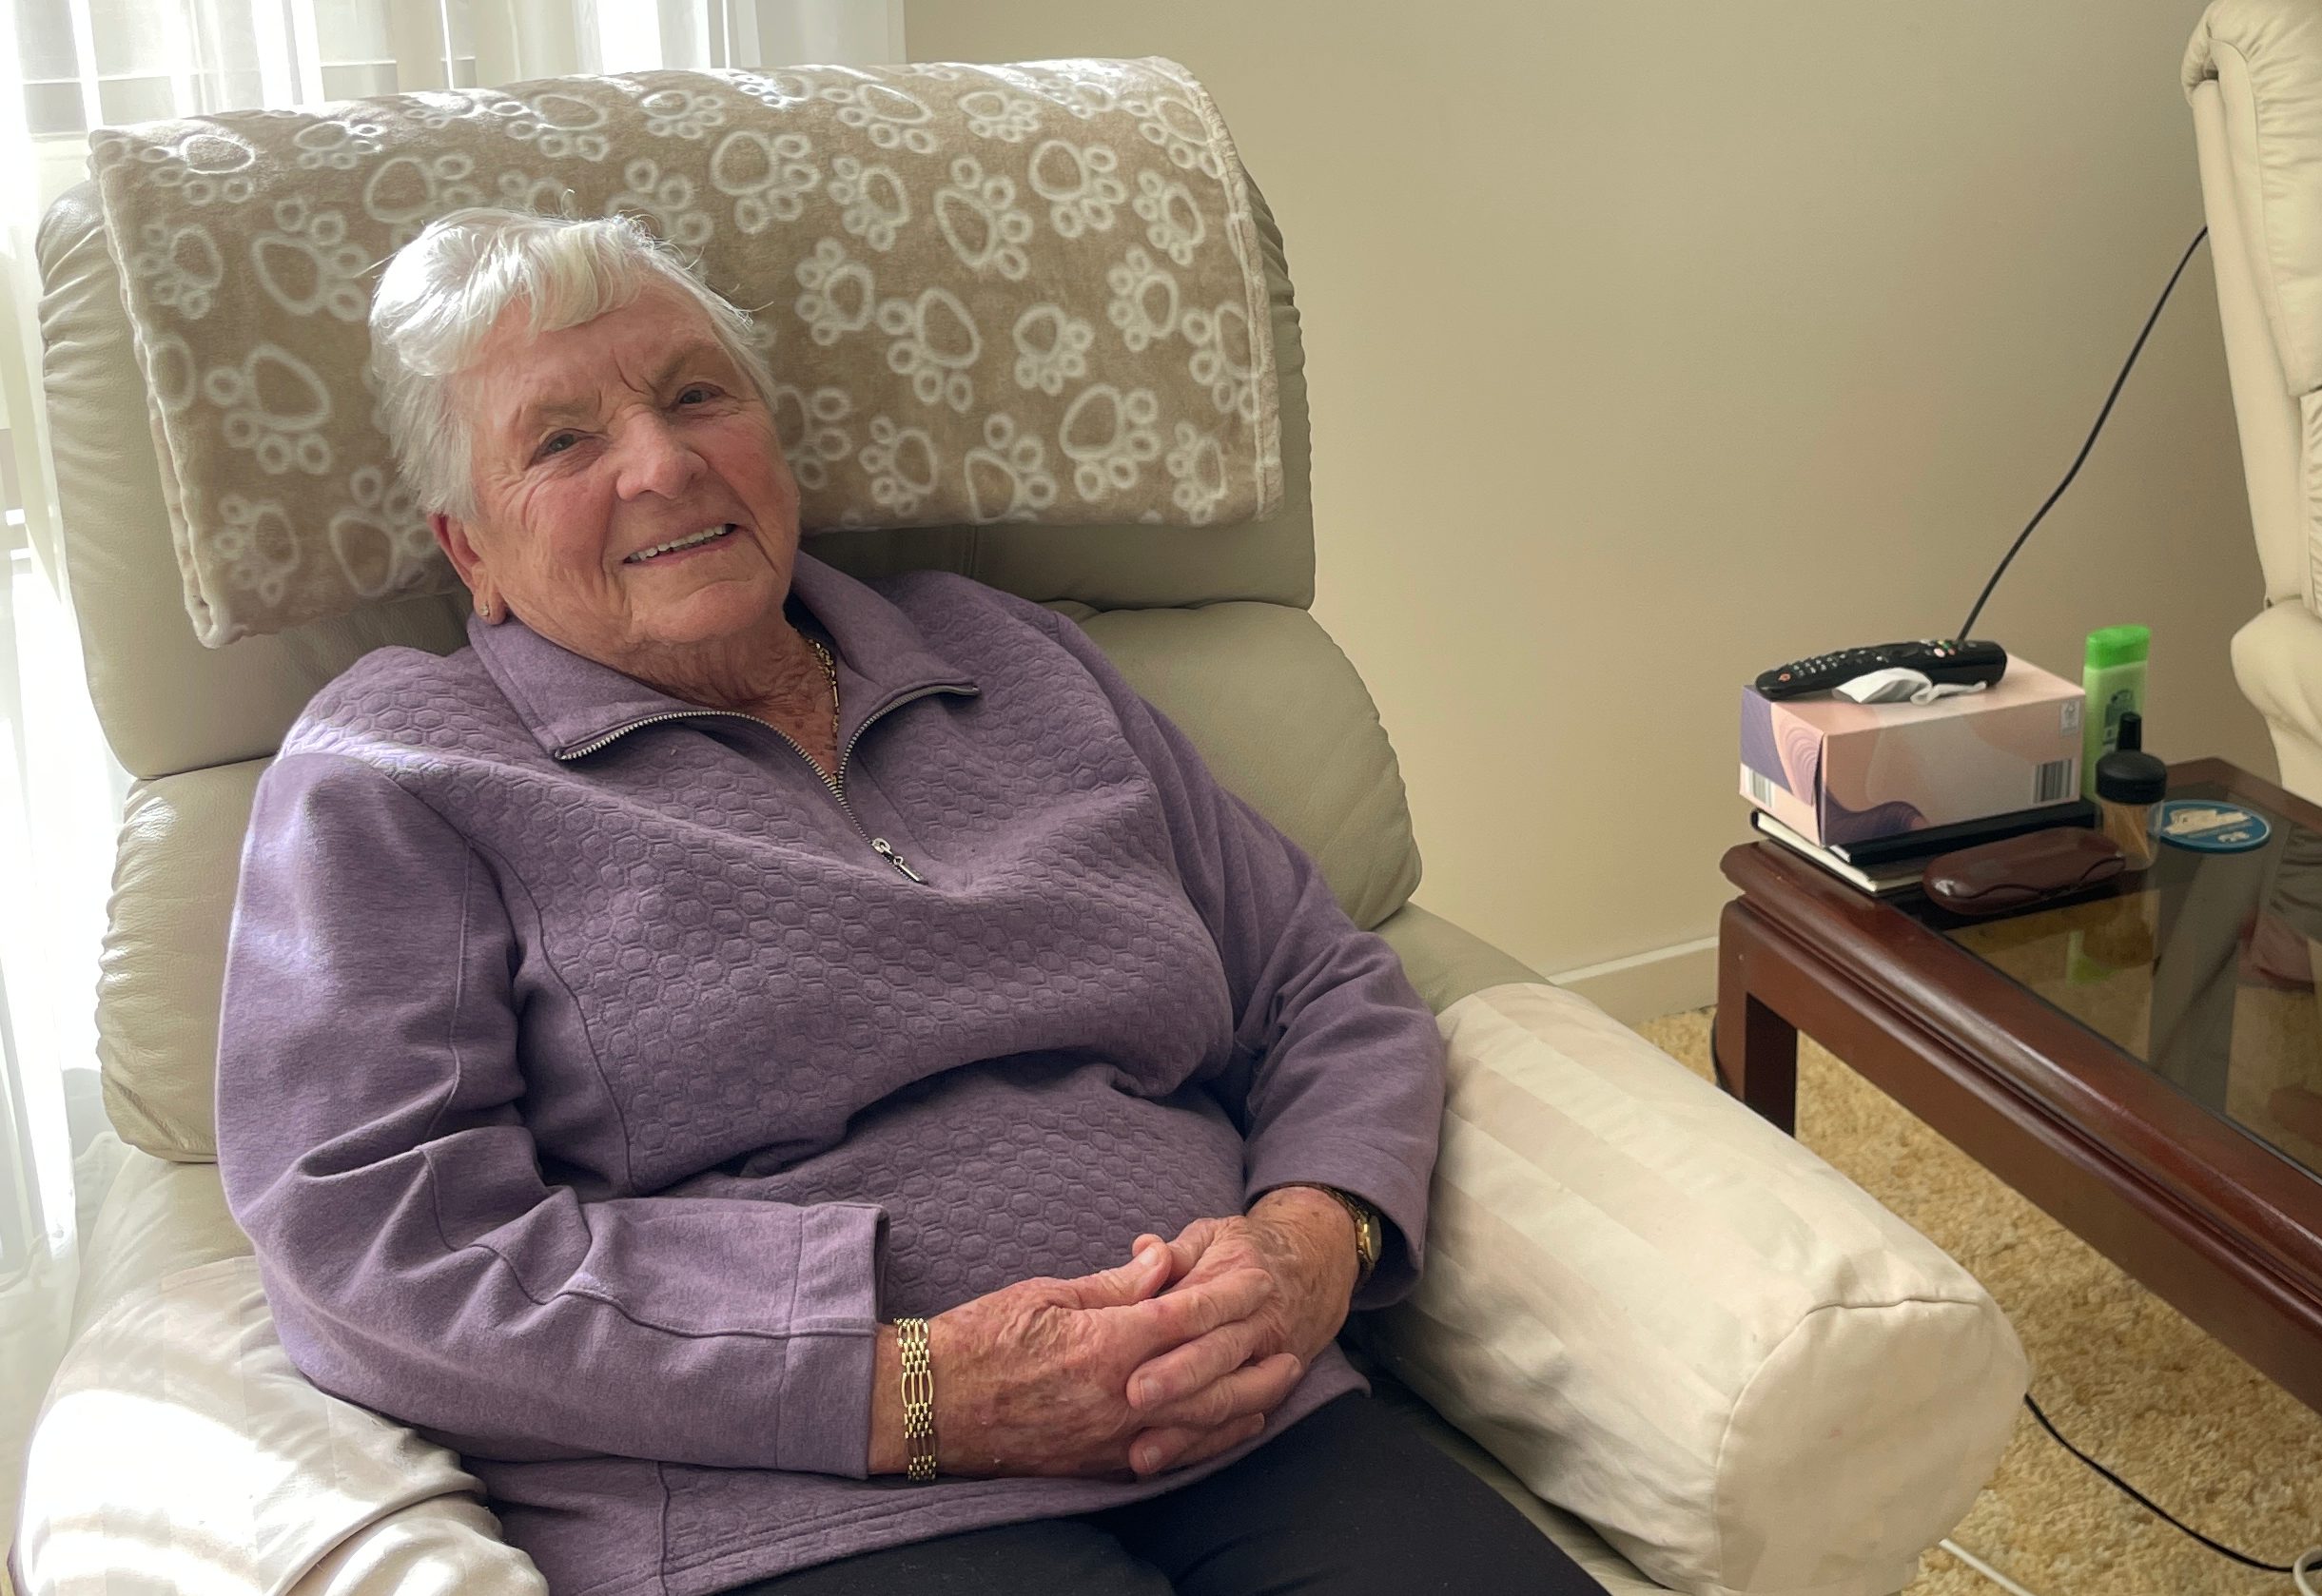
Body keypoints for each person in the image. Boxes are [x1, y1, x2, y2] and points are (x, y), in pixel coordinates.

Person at [214, 206, 1605, 1596]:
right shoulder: (400, 768)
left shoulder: (1002, 654)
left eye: (698, 394)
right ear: (470, 553)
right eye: (562, 440)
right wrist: (905, 1387)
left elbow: (1320, 980)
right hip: (793, 1506)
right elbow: (382, 1241)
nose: (663, 462)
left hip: (1242, 1408)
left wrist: (1304, 1250)